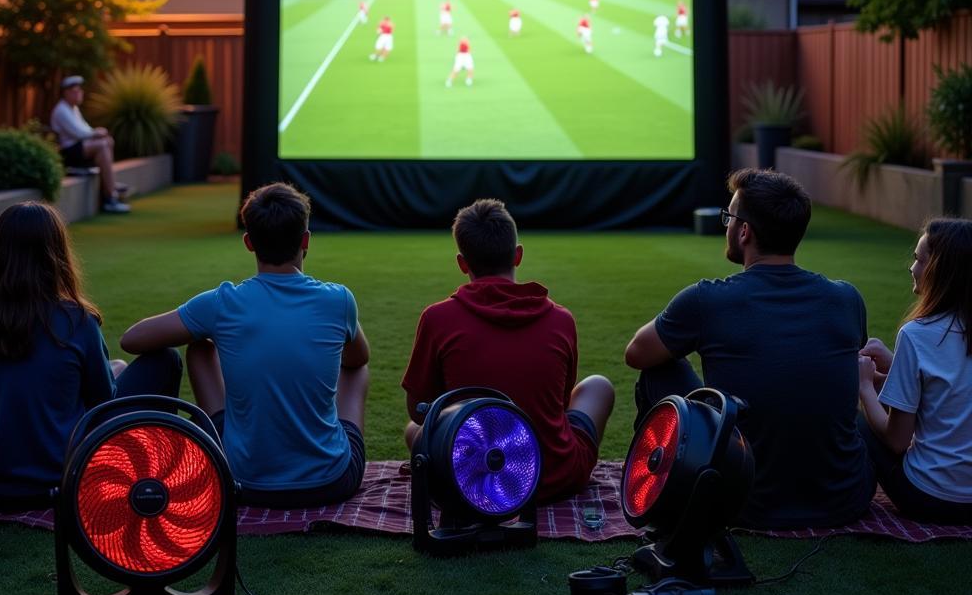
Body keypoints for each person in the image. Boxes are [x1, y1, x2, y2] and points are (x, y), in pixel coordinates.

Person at [625, 168, 875, 529]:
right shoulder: (847, 298)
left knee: (659, 370)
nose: (726, 224)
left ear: (744, 231)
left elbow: (637, 353)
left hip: (740, 500)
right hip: (844, 499)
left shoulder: (706, 299)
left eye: (729, 216)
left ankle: (663, 485)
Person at [120, 182, 370, 508]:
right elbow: (358, 359)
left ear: (249, 243)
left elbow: (131, 339)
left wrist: (212, 329)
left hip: (242, 482)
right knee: (356, 371)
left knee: (200, 346)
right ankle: (323, 443)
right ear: (306, 240)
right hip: (331, 481)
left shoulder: (222, 303)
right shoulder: (339, 300)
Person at [0, 202, 182, 512]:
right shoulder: (75, 320)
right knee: (165, 360)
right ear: (55, 254)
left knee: (116, 367)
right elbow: (102, 406)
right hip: (61, 483)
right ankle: (152, 480)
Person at [401, 198, 615, 502]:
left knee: (414, 430)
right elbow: (562, 403)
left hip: (469, 480)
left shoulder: (437, 318)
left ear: (462, 263)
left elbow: (419, 409)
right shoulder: (560, 319)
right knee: (599, 386)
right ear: (518, 255)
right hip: (553, 478)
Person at [857, 219, 972, 523]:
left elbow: (897, 439)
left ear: (939, 272)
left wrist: (865, 386)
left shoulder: (918, 334)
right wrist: (896, 365)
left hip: (931, 498)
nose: (912, 267)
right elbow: (952, 389)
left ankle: (847, 499)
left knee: (858, 423)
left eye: (919, 259)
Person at [50, 75, 130, 214]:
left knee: (107, 142)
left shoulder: (73, 109)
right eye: (75, 91)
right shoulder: (61, 110)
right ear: (66, 93)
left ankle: (109, 187)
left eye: (80, 90)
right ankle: (110, 197)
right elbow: (78, 133)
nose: (80, 93)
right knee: (102, 145)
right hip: (68, 153)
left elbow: (85, 128)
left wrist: (96, 133)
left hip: (78, 149)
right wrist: (96, 132)